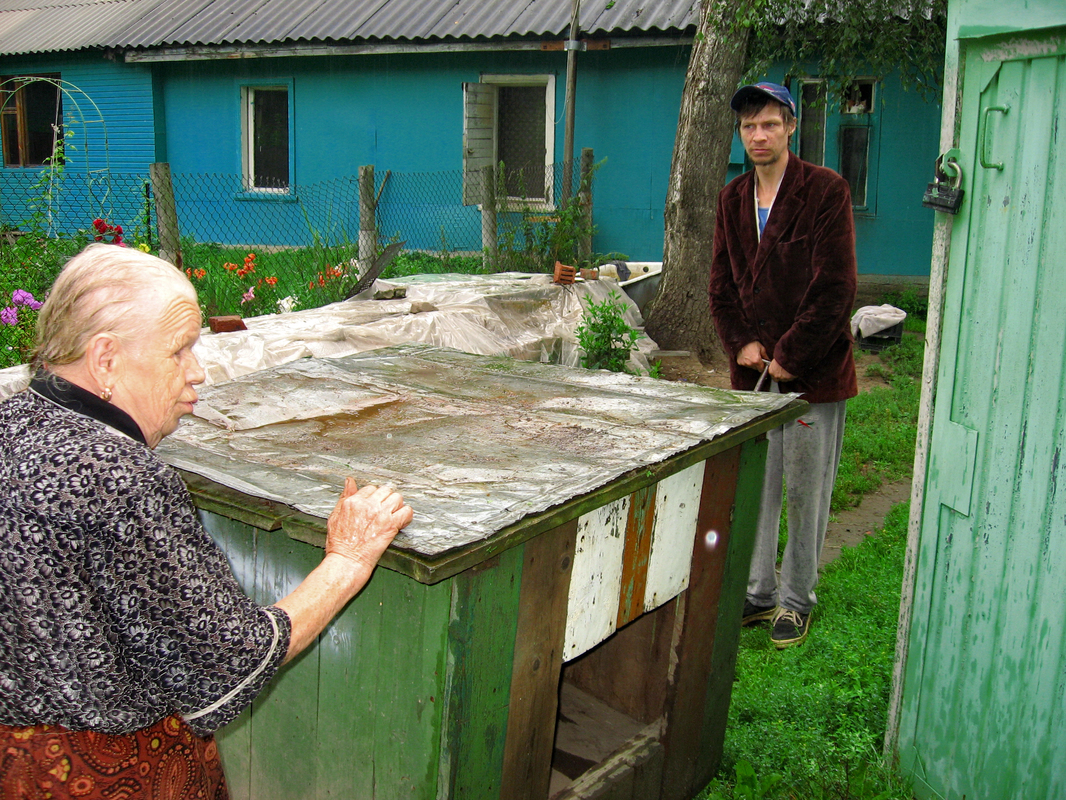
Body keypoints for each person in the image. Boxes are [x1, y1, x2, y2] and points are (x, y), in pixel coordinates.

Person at [0, 243, 414, 797]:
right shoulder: (124, 481)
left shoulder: (12, 419)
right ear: (105, 360)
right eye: (179, 352)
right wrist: (348, 559)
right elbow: (228, 671)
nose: (198, 373)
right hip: (109, 775)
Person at [708, 82, 857, 648]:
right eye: (749, 127)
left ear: (791, 125)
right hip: (752, 377)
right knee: (758, 487)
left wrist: (791, 356)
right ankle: (759, 590)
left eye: (769, 123)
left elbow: (836, 285)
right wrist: (740, 342)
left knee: (805, 490)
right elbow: (720, 283)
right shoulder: (732, 198)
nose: (758, 135)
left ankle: (797, 599)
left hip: (810, 373)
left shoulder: (825, 191)